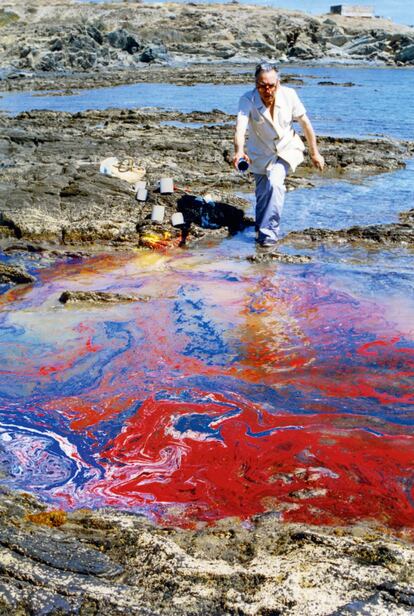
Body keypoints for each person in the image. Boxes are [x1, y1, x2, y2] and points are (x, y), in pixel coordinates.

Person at [233, 62, 325, 247]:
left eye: (271, 85)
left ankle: (269, 235)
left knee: (275, 184)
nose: (266, 90)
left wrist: (315, 153)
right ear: (255, 84)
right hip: (259, 152)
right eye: (261, 85)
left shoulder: (289, 95)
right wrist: (239, 151)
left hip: (287, 148)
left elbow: (305, 124)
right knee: (262, 194)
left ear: (278, 83)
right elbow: (240, 127)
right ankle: (260, 226)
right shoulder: (247, 99)